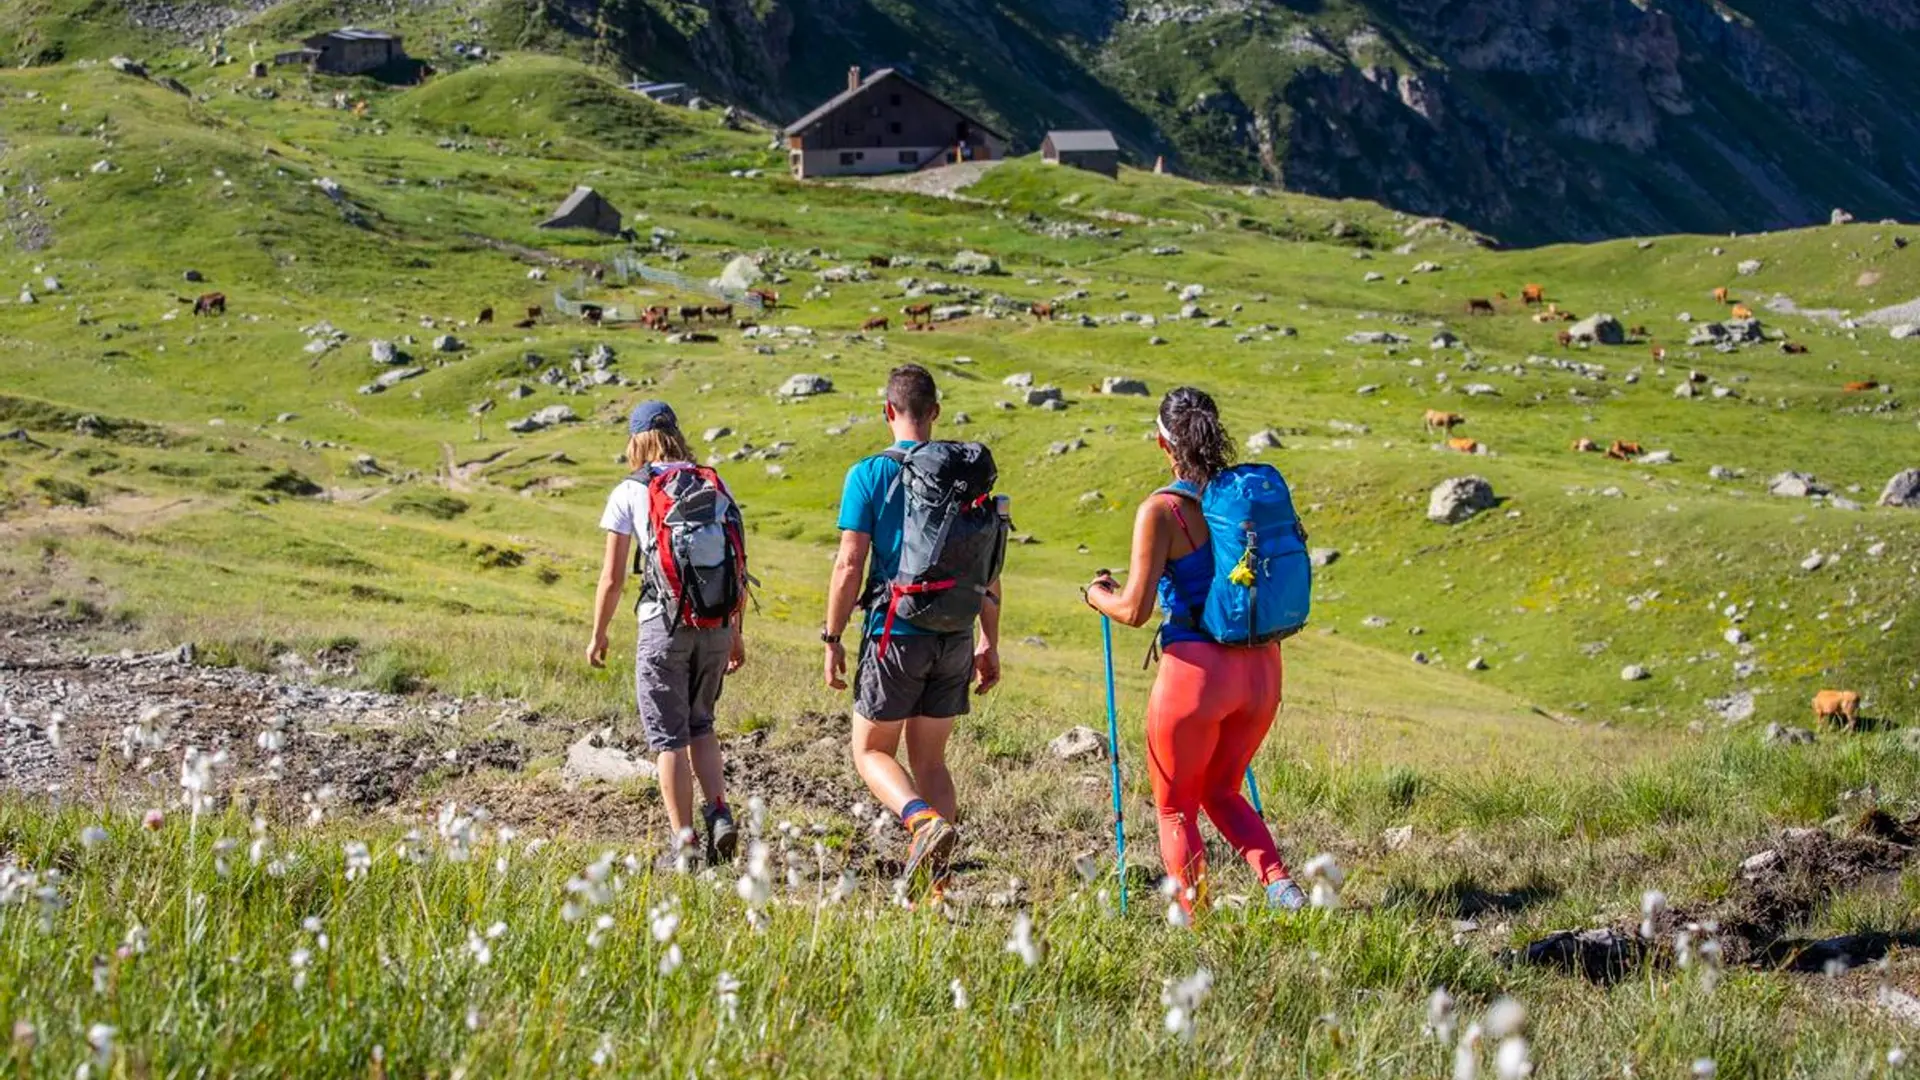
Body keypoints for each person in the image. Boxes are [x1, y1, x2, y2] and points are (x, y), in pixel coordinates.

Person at [1083, 387, 1305, 913]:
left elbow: (1134, 610)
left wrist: (1096, 596)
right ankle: (1281, 886)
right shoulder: (1245, 495)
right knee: (1223, 790)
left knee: (1176, 809)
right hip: (1262, 669)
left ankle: (1194, 921)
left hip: (1196, 676)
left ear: (1164, 443)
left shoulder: (1163, 510)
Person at [822, 364, 1002, 890]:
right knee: (932, 762)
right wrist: (989, 640)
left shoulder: (868, 474)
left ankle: (921, 823)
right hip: (955, 633)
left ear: (888, 411)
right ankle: (935, 890)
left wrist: (832, 638)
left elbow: (849, 564)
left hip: (893, 633)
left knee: (871, 751)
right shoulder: (963, 477)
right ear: (935, 414)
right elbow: (988, 566)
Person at [589, 400, 745, 868]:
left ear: (636, 441)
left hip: (664, 625)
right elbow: (737, 562)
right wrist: (735, 631)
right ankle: (718, 812)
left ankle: (685, 845)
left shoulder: (630, 491)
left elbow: (612, 577)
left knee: (669, 739)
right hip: (716, 624)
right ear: (676, 434)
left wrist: (599, 633)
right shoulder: (713, 481)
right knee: (703, 724)